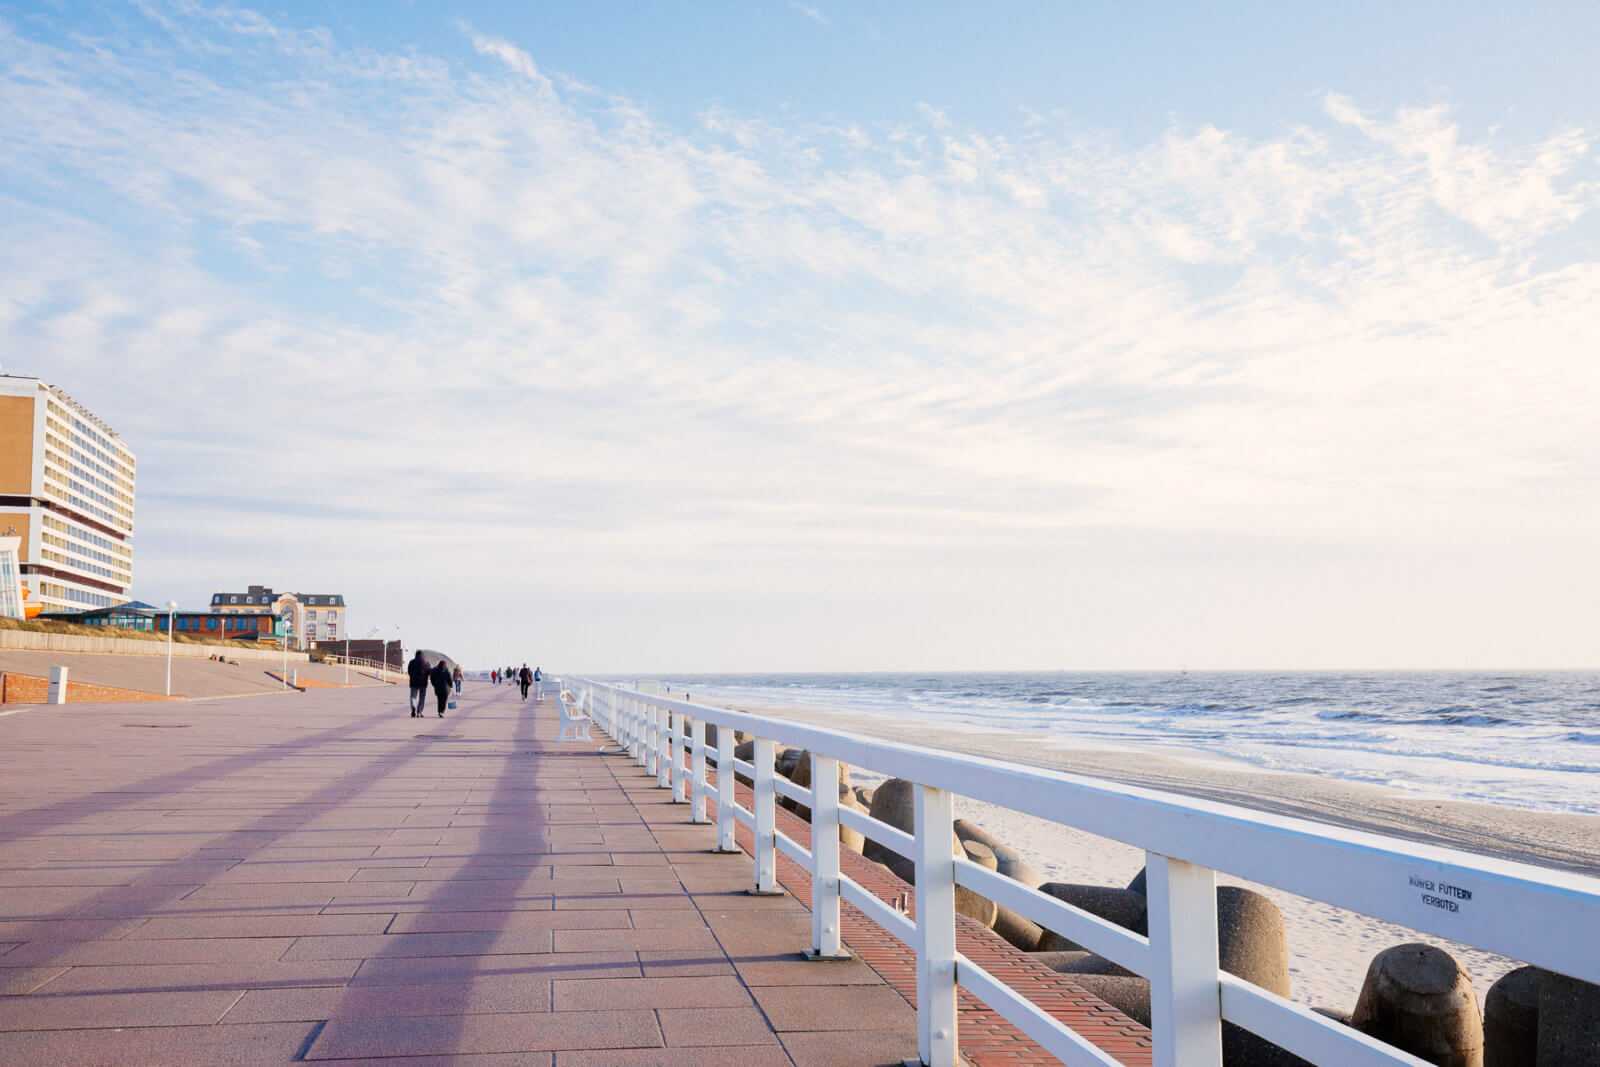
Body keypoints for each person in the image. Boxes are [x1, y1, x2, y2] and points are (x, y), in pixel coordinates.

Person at [407, 650, 429, 718]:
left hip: (413, 683)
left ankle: (413, 708)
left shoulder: (411, 662)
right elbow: (428, 672)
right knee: (422, 698)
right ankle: (419, 712)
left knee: (413, 697)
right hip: (423, 683)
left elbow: (409, 671)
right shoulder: (426, 662)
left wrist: (412, 677)